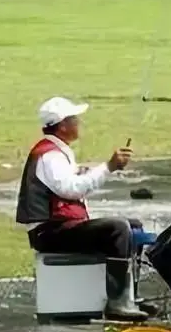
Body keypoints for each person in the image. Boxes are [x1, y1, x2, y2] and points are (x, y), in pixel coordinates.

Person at [15, 96, 147, 319]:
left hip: (58, 227)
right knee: (117, 228)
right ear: (63, 126)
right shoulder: (51, 156)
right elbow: (71, 190)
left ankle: (128, 297)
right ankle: (116, 303)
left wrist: (85, 171)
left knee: (134, 227)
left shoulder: (56, 151)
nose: (79, 123)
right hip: (49, 232)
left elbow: (66, 184)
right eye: (75, 119)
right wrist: (108, 167)